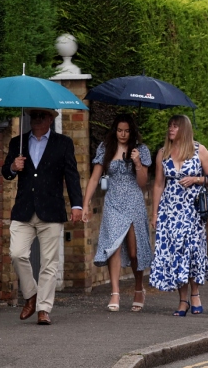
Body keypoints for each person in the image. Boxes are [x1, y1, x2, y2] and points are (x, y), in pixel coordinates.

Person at [1, 109, 83, 325]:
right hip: (24, 209)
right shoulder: (17, 142)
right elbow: (6, 173)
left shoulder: (63, 143)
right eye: (33, 116)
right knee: (17, 253)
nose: (36, 119)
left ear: (50, 119)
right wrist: (12, 166)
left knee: (49, 263)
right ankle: (32, 295)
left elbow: (72, 175)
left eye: (41, 116)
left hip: (51, 210)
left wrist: (77, 205)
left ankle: (44, 309)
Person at [150, 114, 208, 316]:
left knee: (192, 251)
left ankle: (195, 295)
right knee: (176, 254)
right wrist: (155, 213)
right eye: (169, 126)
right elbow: (158, 184)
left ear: (185, 129)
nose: (171, 130)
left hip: (192, 210)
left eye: (175, 126)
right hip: (170, 210)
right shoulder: (163, 153)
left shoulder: (199, 150)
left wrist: (196, 179)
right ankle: (182, 300)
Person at [82, 114, 153, 312]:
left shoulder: (142, 150)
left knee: (133, 252)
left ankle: (139, 288)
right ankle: (115, 293)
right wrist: (85, 203)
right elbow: (95, 178)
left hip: (133, 203)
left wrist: (138, 163)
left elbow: (142, 183)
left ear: (132, 131)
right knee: (113, 245)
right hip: (113, 202)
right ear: (115, 130)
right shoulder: (105, 148)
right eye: (119, 130)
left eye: (127, 130)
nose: (123, 134)